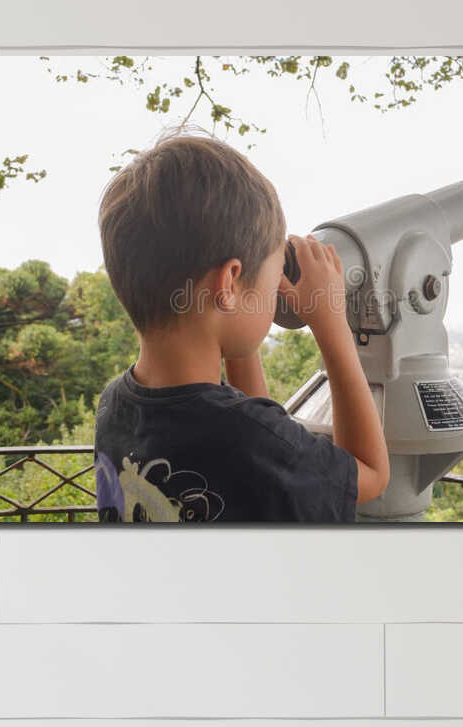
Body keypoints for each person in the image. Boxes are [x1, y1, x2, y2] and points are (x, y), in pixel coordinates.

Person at [91, 130, 388, 523]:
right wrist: (332, 324)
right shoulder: (248, 438)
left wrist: (242, 319)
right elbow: (369, 473)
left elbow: (250, 422)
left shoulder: (115, 405)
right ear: (229, 282)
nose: (274, 292)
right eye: (274, 275)